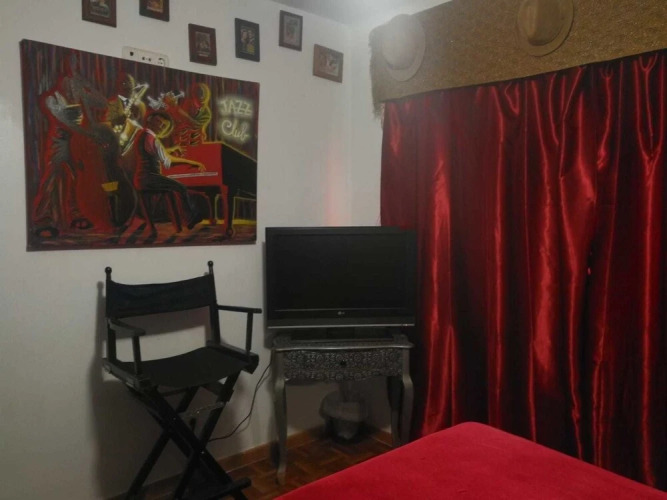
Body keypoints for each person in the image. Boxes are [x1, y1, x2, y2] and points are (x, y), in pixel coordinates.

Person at [134, 111, 205, 232]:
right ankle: (189, 218)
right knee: (181, 187)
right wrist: (192, 162)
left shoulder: (143, 135)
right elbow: (168, 161)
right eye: (158, 122)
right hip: (150, 178)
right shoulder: (152, 138)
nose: (160, 127)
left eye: (163, 126)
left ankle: (181, 221)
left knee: (172, 186)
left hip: (140, 178)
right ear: (150, 120)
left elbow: (155, 151)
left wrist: (171, 149)